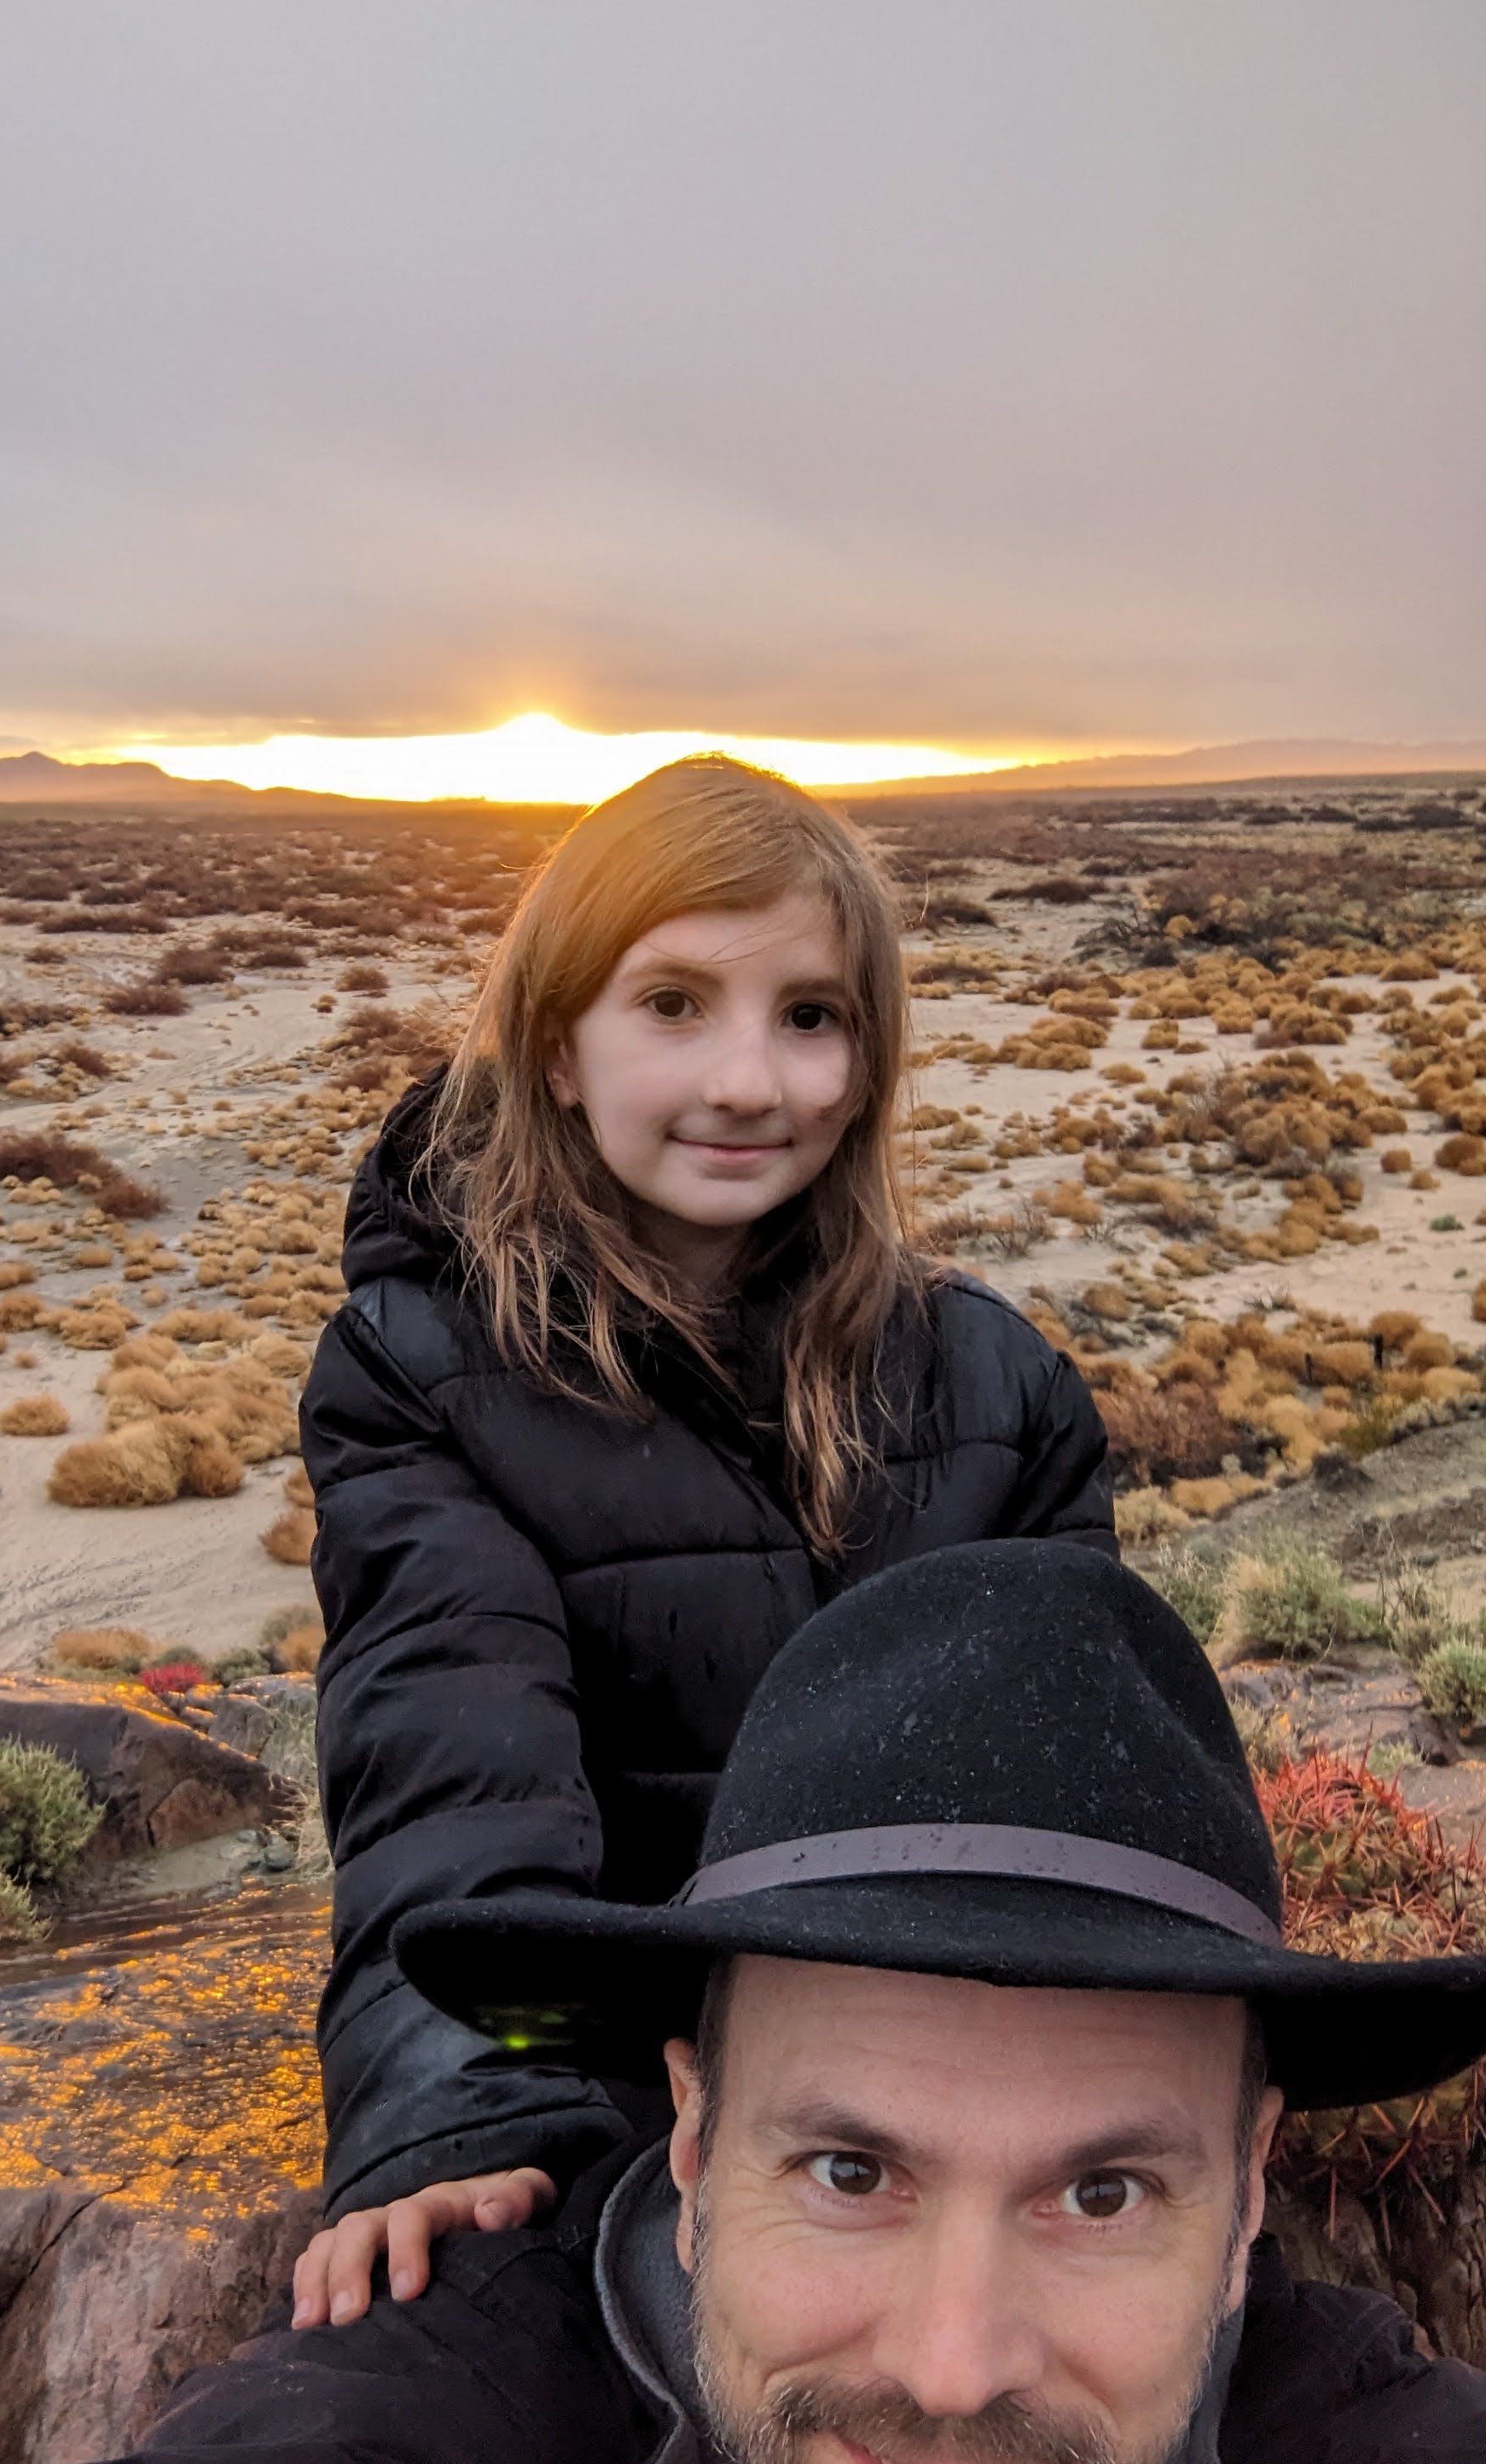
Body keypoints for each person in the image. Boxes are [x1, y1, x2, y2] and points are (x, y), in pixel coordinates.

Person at [0, 1542, 1486, 2464]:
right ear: (687, 2140)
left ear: (1255, 2188)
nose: (956, 2361)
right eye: (850, 2172)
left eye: (1103, 2190)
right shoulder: (445, 2404)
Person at [293, 755, 1114, 2326]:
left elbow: (1067, 1812)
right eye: (673, 1004)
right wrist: (468, 2111)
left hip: (944, 2100)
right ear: (555, 1047)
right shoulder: (423, 1373)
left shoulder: (1004, 1389)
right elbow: (451, 1761)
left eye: (810, 1015)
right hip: (603, 2084)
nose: (750, 1080)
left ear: (869, 1063)